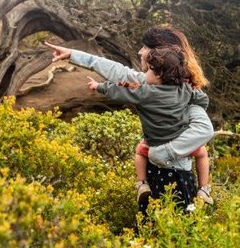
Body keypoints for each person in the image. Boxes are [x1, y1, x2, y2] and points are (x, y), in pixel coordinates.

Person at [44, 24, 214, 214]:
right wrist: (73, 54)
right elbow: (117, 70)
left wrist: (163, 152)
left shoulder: (185, 96)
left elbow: (205, 130)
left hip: (176, 177)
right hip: (156, 174)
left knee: (170, 233)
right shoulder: (172, 88)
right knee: (152, 229)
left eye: (145, 47)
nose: (140, 51)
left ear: (159, 58)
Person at [86, 46, 213, 205]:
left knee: (140, 152)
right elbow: (201, 98)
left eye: (149, 71)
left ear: (159, 74)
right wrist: (197, 107)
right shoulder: (185, 89)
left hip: (154, 144)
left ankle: (142, 184)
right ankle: (204, 188)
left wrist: (99, 86)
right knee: (201, 153)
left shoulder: (144, 93)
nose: (145, 74)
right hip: (181, 143)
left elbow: (119, 91)